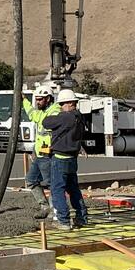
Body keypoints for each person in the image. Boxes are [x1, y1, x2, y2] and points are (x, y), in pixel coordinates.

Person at [42, 90, 89, 229]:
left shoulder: (65, 117)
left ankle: (63, 221)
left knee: (57, 190)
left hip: (60, 158)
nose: (61, 107)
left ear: (69, 103)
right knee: (73, 189)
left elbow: (46, 122)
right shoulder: (79, 117)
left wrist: (54, 111)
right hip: (72, 159)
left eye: (62, 104)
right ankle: (81, 218)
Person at [21, 85, 60, 218]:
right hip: (40, 154)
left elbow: (40, 120)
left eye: (40, 99)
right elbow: (32, 114)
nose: (37, 102)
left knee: (52, 184)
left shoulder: (55, 112)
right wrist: (24, 100)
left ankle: (55, 210)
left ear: (48, 99)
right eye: (36, 99)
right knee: (31, 180)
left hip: (48, 155)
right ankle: (45, 207)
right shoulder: (43, 112)